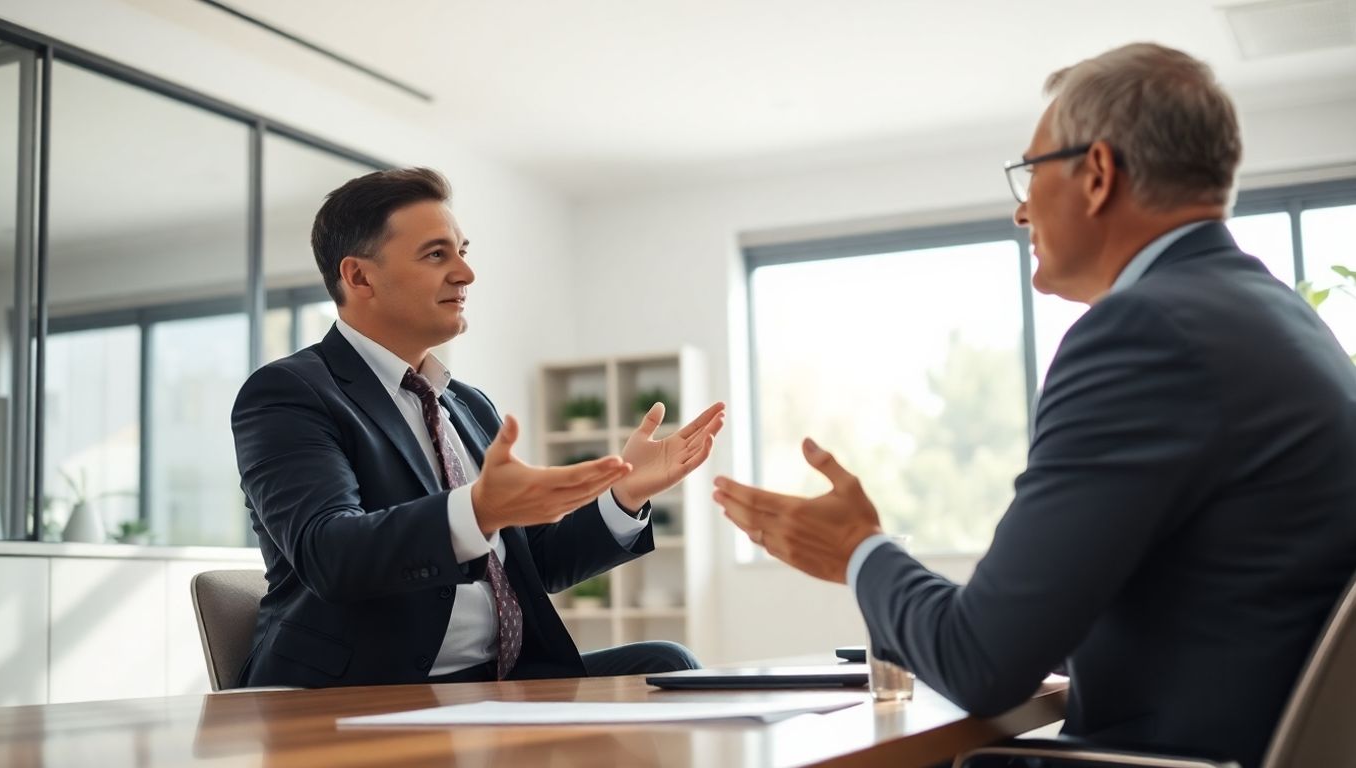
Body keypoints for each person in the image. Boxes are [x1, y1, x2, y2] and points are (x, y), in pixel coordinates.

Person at [715, 43, 1356, 768]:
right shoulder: (1282, 319)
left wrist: (859, 550)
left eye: (1031, 173)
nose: (1021, 211)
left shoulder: (1142, 332)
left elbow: (979, 664)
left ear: (1097, 174)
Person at [232, 167, 725, 687]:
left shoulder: (466, 405)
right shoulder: (289, 393)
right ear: (358, 277)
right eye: (436, 255)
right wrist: (478, 510)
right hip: (367, 684)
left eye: (463, 251)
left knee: (666, 665)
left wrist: (624, 496)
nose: (466, 274)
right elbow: (330, 552)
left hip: (497, 676)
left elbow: (534, 564)